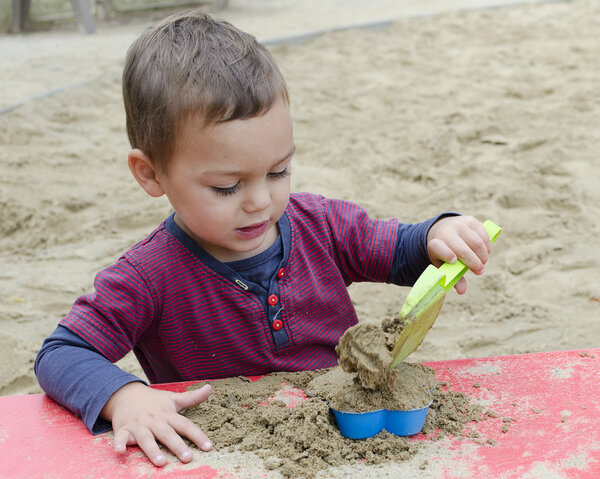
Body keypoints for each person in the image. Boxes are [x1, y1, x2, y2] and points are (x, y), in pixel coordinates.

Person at [35, 10, 492, 468]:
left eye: (278, 172)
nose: (259, 201)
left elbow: (398, 249)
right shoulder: (148, 276)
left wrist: (439, 234)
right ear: (151, 173)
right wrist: (124, 396)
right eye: (226, 187)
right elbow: (62, 353)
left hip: (350, 439)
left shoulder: (322, 224)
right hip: (226, 456)